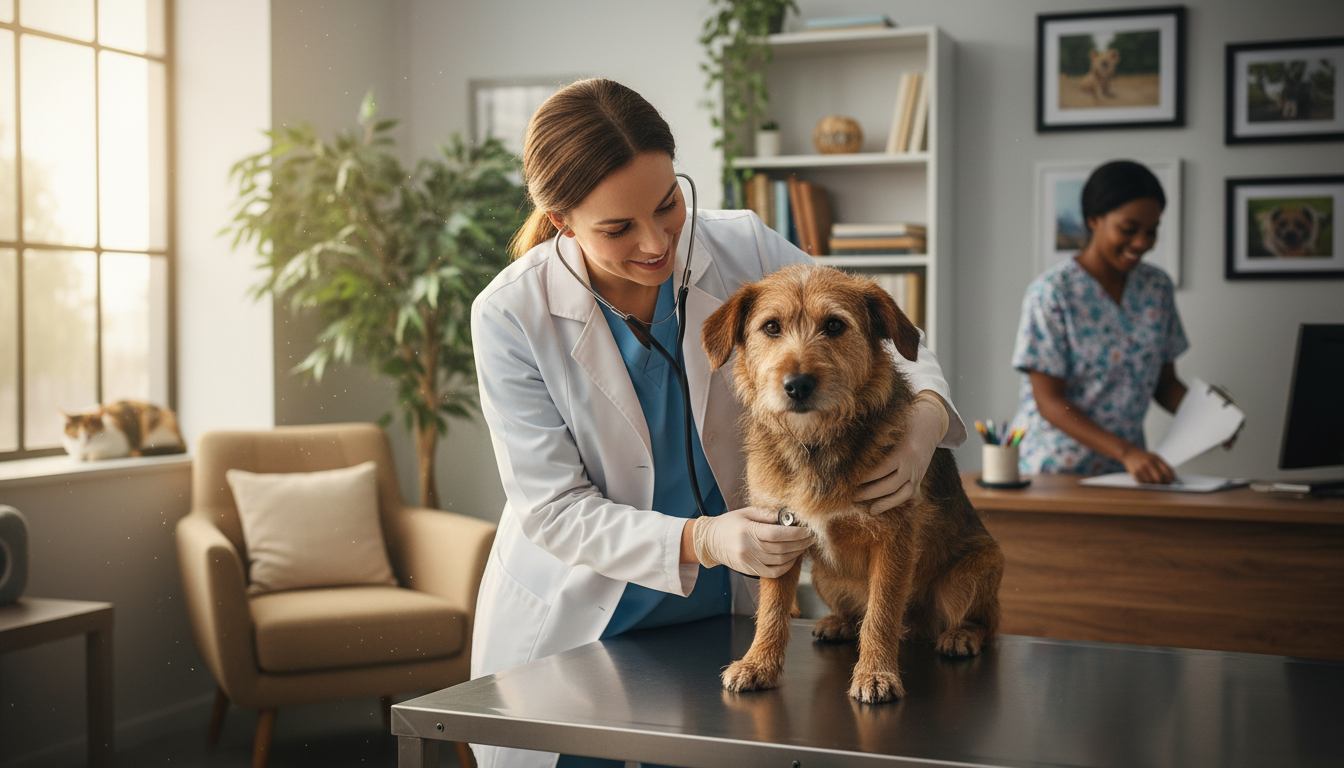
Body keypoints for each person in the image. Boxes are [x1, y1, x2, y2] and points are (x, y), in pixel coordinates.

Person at [469, 78, 966, 768]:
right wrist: (703, 537)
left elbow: (888, 334)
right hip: (586, 618)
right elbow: (552, 509)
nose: (656, 242)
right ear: (561, 221)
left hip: (726, 616)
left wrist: (922, 428)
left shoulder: (742, 246)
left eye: (667, 203)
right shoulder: (509, 315)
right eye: (618, 228)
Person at [1010, 160, 1189, 484]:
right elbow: (1049, 401)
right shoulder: (1052, 293)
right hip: (1053, 470)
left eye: (1152, 231)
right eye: (1129, 229)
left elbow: (1165, 384)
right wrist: (1126, 452)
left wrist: (1209, 417)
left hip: (1126, 473)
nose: (1141, 242)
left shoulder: (1157, 288)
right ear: (1094, 220)